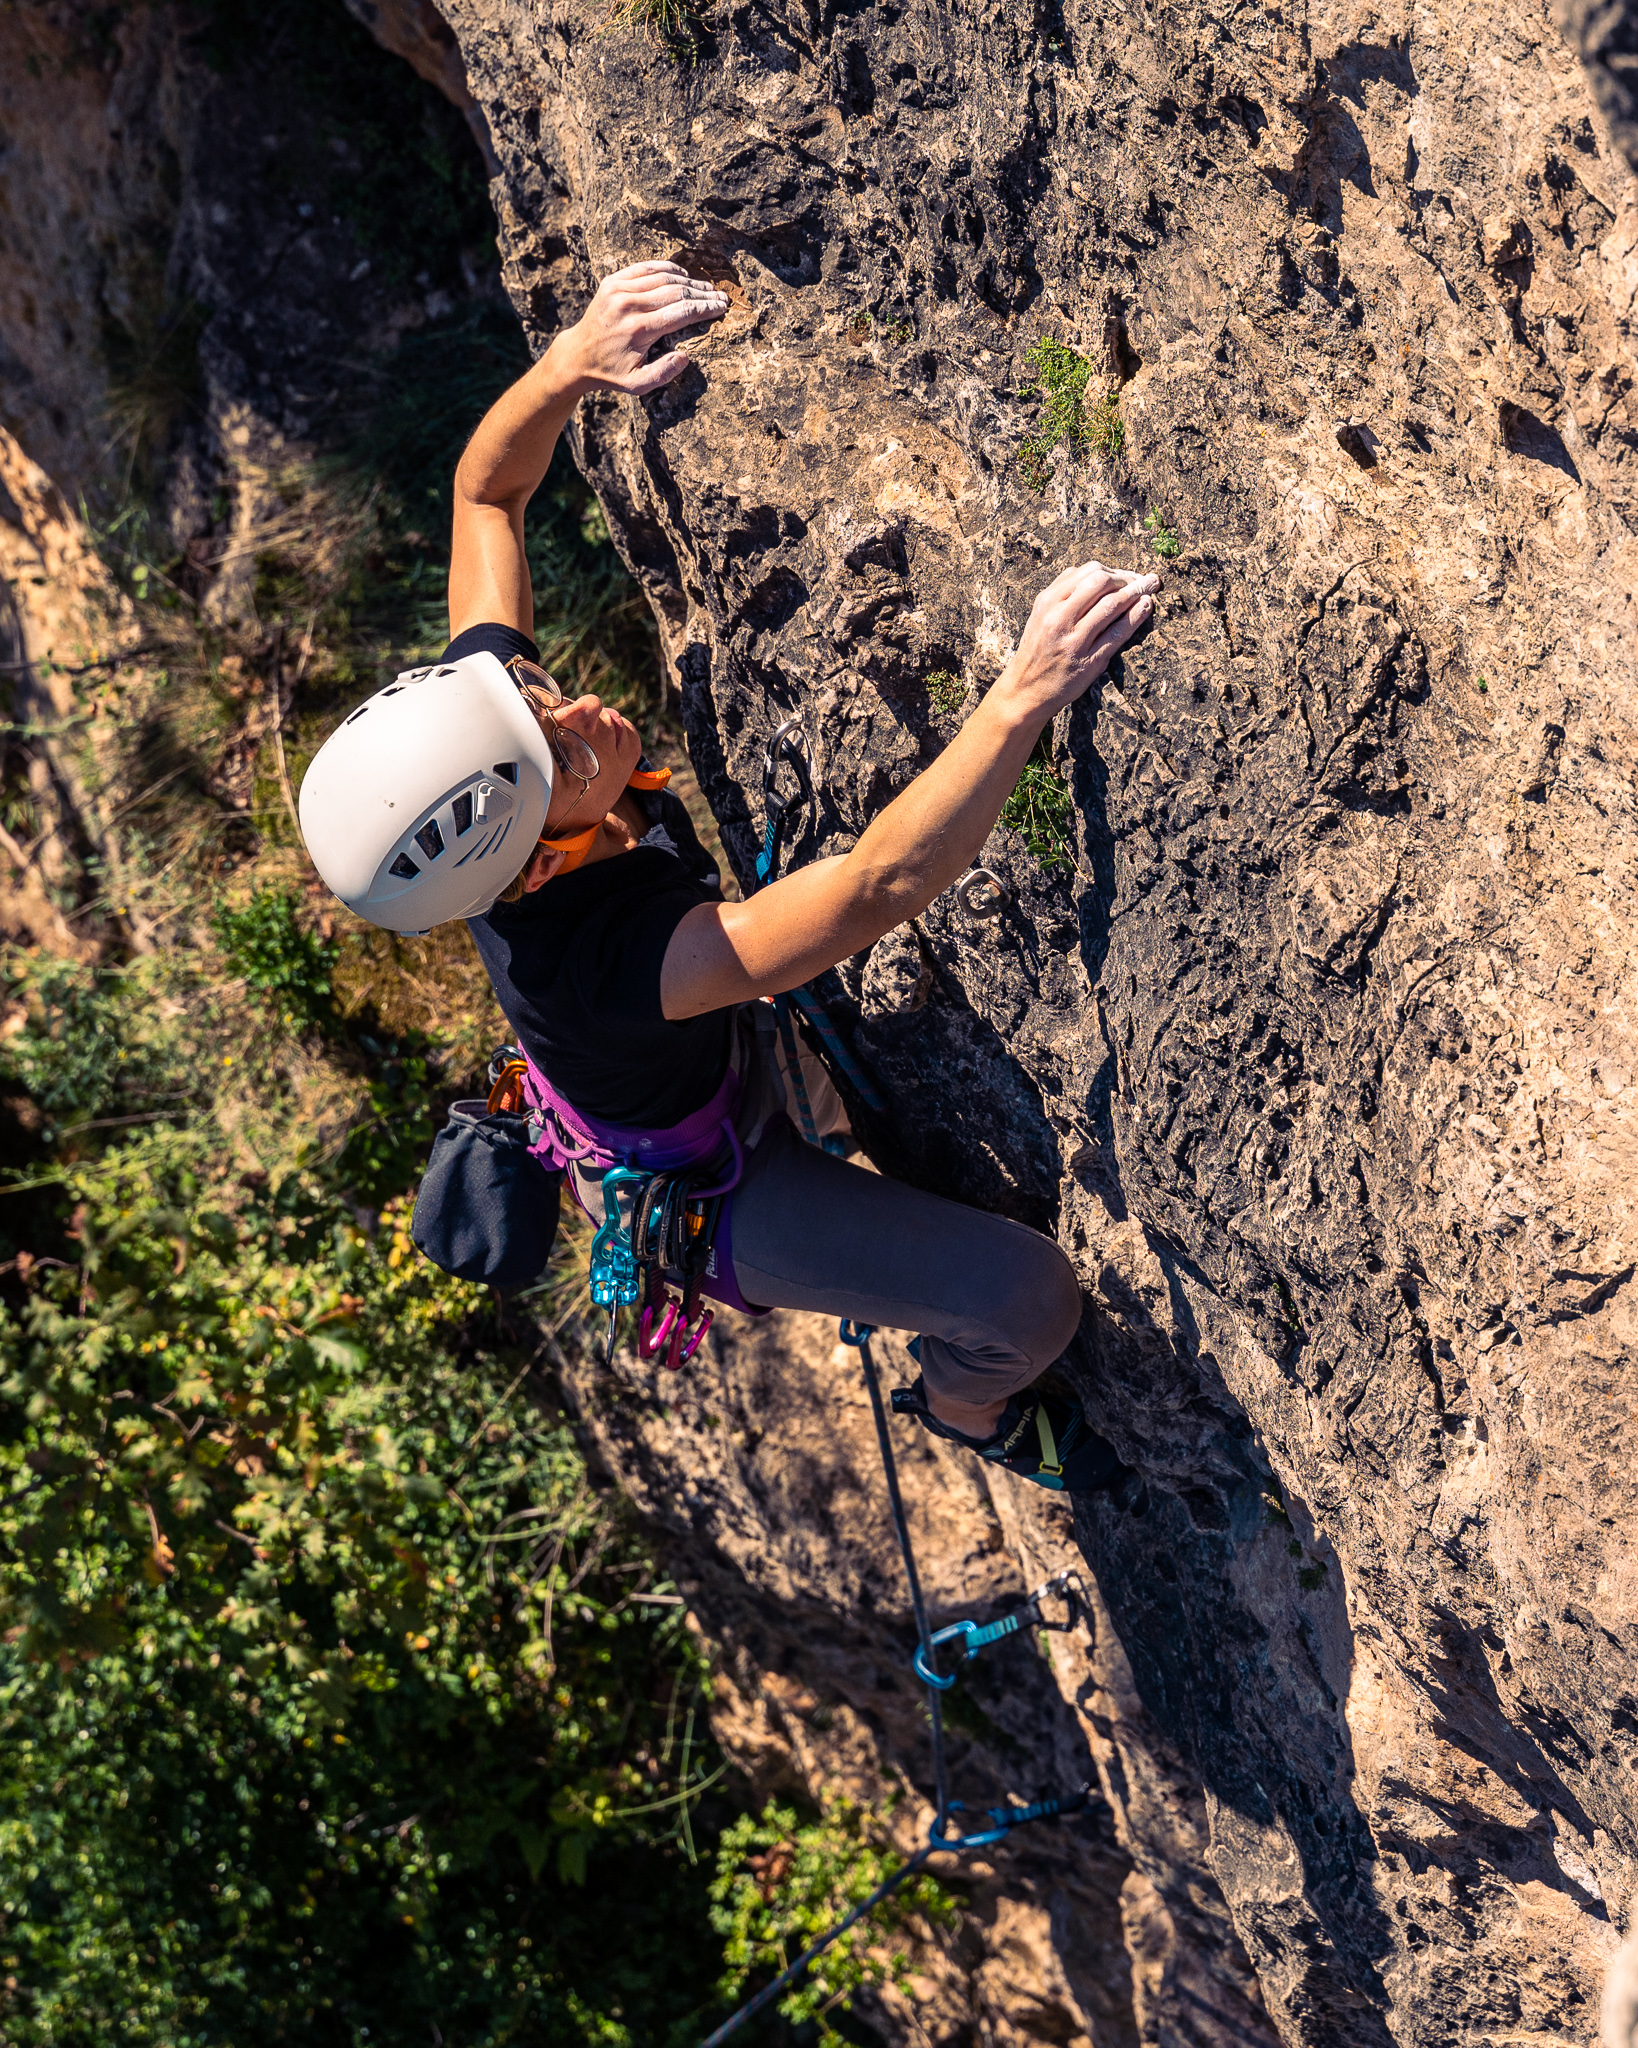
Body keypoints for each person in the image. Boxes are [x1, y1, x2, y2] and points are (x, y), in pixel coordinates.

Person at [298, 261, 1158, 1496]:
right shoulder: (603, 966)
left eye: (537, 696)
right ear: (533, 853)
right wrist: (1023, 693)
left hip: (684, 1070)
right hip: (726, 1187)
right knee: (1024, 1299)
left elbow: (484, 496)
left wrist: (570, 364)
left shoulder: (486, 772)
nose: (582, 704)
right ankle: (970, 1411)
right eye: (560, 744)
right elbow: (872, 887)